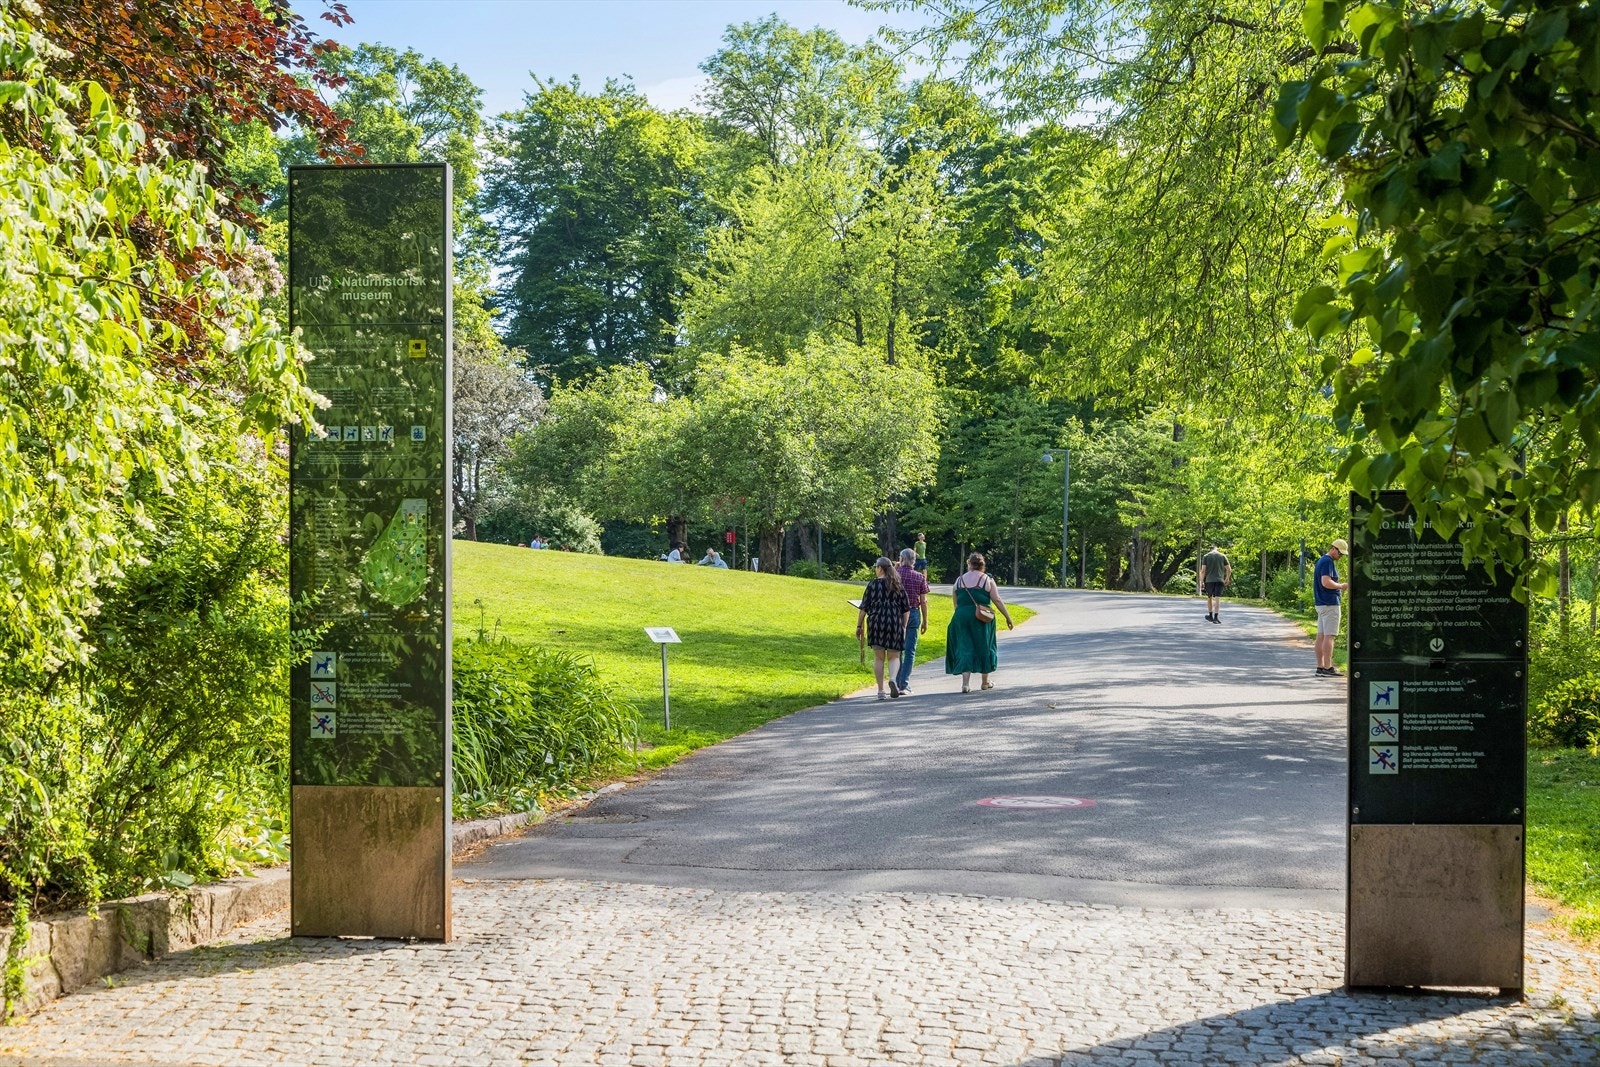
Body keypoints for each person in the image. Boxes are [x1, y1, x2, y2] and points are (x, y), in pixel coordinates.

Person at [946, 552, 1014, 693]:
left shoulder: (959, 580)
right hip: (982, 617)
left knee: (965, 646)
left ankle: (965, 684)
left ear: (969, 564)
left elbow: (956, 604)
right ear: (982, 565)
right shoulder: (987, 579)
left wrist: (962, 615)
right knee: (985, 645)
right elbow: (997, 600)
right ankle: (985, 682)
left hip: (961, 616)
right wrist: (1008, 617)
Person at [856, 556, 911, 700]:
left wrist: (859, 625)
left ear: (880, 568)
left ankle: (881, 691)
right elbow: (906, 609)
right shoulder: (897, 585)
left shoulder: (872, 585)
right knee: (894, 656)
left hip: (876, 623)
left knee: (879, 658)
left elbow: (863, 608)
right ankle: (892, 679)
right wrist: (904, 626)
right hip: (894, 623)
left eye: (876, 567)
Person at [893, 547, 930, 695]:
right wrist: (925, 620)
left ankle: (896, 681)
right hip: (913, 613)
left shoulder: (894, 576)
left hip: (896, 614)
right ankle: (904, 684)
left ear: (901, 559)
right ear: (914, 561)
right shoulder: (919, 577)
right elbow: (923, 601)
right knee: (910, 651)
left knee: (897, 650)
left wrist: (895, 569)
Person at [1314, 538, 1349, 677]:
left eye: (1343, 554)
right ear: (1333, 548)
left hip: (1321, 603)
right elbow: (1326, 582)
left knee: (1321, 636)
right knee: (1330, 636)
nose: (1341, 556)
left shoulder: (1321, 560)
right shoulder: (1327, 561)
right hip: (1330, 603)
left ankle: (1320, 667)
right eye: (1340, 553)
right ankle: (1328, 667)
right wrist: (1341, 586)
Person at [1198, 544, 1232, 624]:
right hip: (1220, 580)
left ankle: (1210, 615)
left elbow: (1203, 571)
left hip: (1209, 580)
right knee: (1217, 598)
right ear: (1217, 549)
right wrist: (1227, 578)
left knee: (1209, 597)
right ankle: (1216, 618)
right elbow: (1229, 569)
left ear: (1210, 549)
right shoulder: (1222, 556)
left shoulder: (1206, 556)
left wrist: (1201, 582)